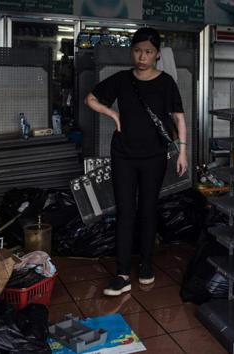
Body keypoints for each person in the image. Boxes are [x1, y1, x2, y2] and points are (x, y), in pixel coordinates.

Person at [85, 27, 188, 296]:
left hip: (155, 156)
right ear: (133, 51)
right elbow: (91, 99)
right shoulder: (121, 80)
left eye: (148, 52)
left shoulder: (166, 82)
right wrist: (113, 114)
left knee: (148, 210)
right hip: (123, 155)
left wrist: (184, 152)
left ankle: (145, 265)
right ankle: (121, 274)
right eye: (138, 50)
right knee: (125, 211)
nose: (142, 56)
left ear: (156, 55)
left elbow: (178, 117)